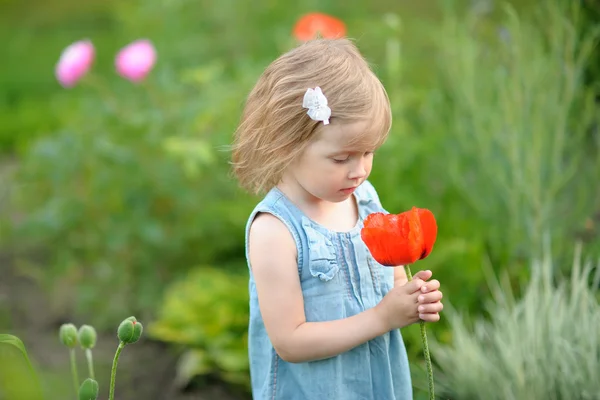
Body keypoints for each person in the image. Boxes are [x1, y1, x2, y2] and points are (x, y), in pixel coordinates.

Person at [231, 38, 444, 400]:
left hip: (377, 386)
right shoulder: (275, 230)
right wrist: (382, 318)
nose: (359, 170)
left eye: (368, 152)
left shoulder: (364, 198)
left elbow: (391, 283)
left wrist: (410, 299)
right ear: (287, 144)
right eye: (342, 158)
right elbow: (290, 342)